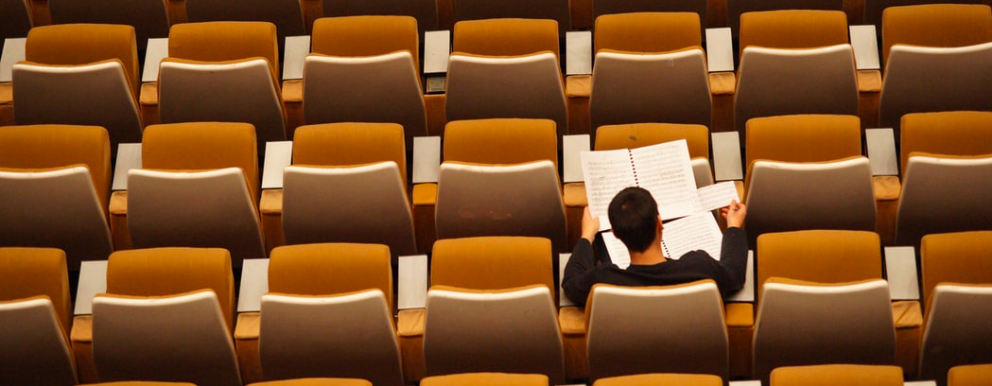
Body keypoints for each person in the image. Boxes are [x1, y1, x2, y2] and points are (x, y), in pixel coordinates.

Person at [562, 186, 748, 306]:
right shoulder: (700, 267)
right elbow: (734, 274)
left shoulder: (604, 281)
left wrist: (587, 235)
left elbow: (570, 283)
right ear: (659, 223)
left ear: (615, 234)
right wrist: (733, 227)